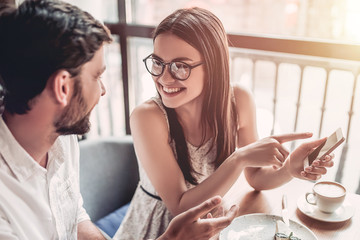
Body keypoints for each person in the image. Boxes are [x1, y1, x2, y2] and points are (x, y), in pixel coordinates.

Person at [0, 1, 238, 239]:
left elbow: (73, 219)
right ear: (63, 87)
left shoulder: (60, 133)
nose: (103, 90)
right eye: (97, 76)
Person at [113, 7, 335, 240]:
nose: (164, 78)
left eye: (180, 66)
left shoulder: (238, 100)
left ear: (213, 66)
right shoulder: (148, 117)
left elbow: (257, 178)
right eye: (158, 62)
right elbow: (181, 206)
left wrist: (290, 168)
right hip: (160, 229)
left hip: (215, 225)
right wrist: (239, 158)